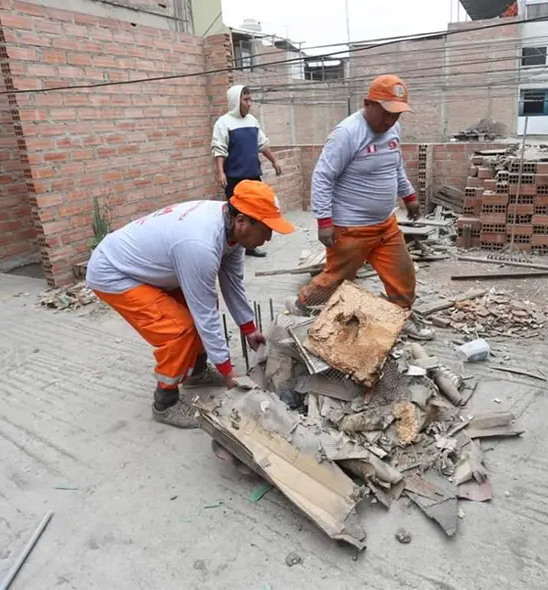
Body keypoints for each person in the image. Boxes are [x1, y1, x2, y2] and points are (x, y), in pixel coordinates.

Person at [85, 181, 296, 429]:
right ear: (241, 221)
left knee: (201, 309)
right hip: (114, 271)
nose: (269, 237)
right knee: (179, 329)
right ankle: (165, 402)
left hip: (152, 266)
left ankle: (196, 374)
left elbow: (232, 283)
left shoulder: (233, 232)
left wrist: (248, 327)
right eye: (266, 229)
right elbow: (204, 313)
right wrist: (227, 371)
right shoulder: (201, 244)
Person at [290, 74, 433, 340]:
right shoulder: (347, 133)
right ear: (369, 103)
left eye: (398, 115)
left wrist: (409, 195)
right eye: (387, 113)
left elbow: (395, 165)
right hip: (351, 228)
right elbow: (323, 176)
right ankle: (301, 307)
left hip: (386, 225)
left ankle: (401, 316)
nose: (391, 120)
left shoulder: (393, 130)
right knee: (336, 279)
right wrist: (324, 221)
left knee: (403, 275)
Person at [212, 85, 282, 258]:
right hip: (235, 178)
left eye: (250, 99)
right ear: (236, 101)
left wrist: (274, 161)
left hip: (253, 176)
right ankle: (233, 249)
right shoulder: (224, 123)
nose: (249, 103)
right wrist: (221, 172)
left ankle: (251, 246)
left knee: (256, 214)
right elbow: (219, 150)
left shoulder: (252, 121)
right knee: (236, 215)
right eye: (246, 100)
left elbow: (262, 144)